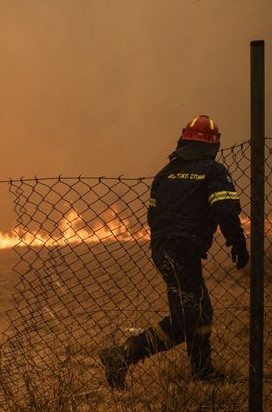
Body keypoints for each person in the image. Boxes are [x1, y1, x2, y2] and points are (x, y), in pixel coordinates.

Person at [100, 115, 249, 389]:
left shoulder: (164, 173)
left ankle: (202, 371)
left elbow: (153, 217)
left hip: (163, 249)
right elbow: (226, 210)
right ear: (213, 145)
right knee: (187, 318)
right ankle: (122, 355)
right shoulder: (213, 171)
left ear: (183, 141)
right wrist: (237, 243)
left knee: (201, 311)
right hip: (183, 251)